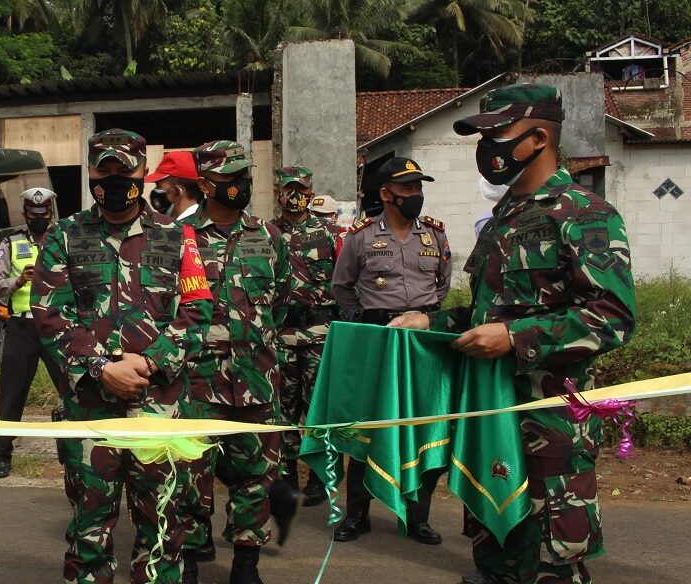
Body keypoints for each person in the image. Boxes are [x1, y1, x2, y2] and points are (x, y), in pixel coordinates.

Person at [392, 83, 637, 584]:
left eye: (496, 134)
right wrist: (432, 321)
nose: (486, 148)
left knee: (550, 565)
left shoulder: (583, 213)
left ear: (540, 137)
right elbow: (491, 312)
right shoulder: (501, 220)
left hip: (549, 429)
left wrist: (515, 338)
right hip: (490, 420)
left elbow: (611, 317)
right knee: (496, 555)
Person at [31, 128, 212, 584]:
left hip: (159, 407)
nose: (113, 178)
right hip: (91, 408)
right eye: (103, 169)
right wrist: (101, 366)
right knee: (89, 531)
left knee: (163, 530)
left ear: (143, 172)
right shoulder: (65, 236)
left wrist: (150, 362)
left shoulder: (177, 237)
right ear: (90, 172)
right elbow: (49, 313)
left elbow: (198, 309)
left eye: (124, 169)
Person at [180, 141, 297, 584]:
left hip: (257, 381)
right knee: (192, 477)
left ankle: (246, 564)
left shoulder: (268, 236)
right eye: (231, 179)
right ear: (207, 184)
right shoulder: (179, 237)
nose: (241, 186)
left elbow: (280, 304)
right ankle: (189, 558)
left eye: (244, 176)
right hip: (197, 384)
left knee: (256, 479)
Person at [330, 156, 450, 545]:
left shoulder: (435, 236)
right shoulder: (361, 237)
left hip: (422, 343)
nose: (415, 195)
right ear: (386, 194)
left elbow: (443, 285)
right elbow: (341, 286)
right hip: (377, 340)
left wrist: (422, 314)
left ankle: (417, 518)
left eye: (418, 187)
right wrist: (368, 318)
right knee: (368, 426)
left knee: (422, 425)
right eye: (407, 189)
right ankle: (357, 515)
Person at [269, 166, 338, 508]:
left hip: (320, 333)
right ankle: (286, 476)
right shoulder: (265, 233)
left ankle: (318, 477)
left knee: (317, 409)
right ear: (278, 193)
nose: (294, 196)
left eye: (301, 189)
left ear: (311, 193)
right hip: (281, 333)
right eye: (288, 189)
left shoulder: (328, 233)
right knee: (282, 410)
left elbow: (345, 281)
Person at [0, 186, 62, 478]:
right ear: (25, 214)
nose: (38, 218)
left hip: (56, 325)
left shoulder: (61, 239)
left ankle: (70, 449)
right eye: (33, 214)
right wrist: (17, 281)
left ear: (51, 213)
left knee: (70, 391)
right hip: (21, 325)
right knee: (11, 395)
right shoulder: (11, 242)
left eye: (43, 214)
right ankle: (3, 452)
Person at [145, 150, 202, 220]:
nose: (155, 191)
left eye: (159, 186)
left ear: (177, 192)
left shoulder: (186, 228)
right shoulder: (204, 221)